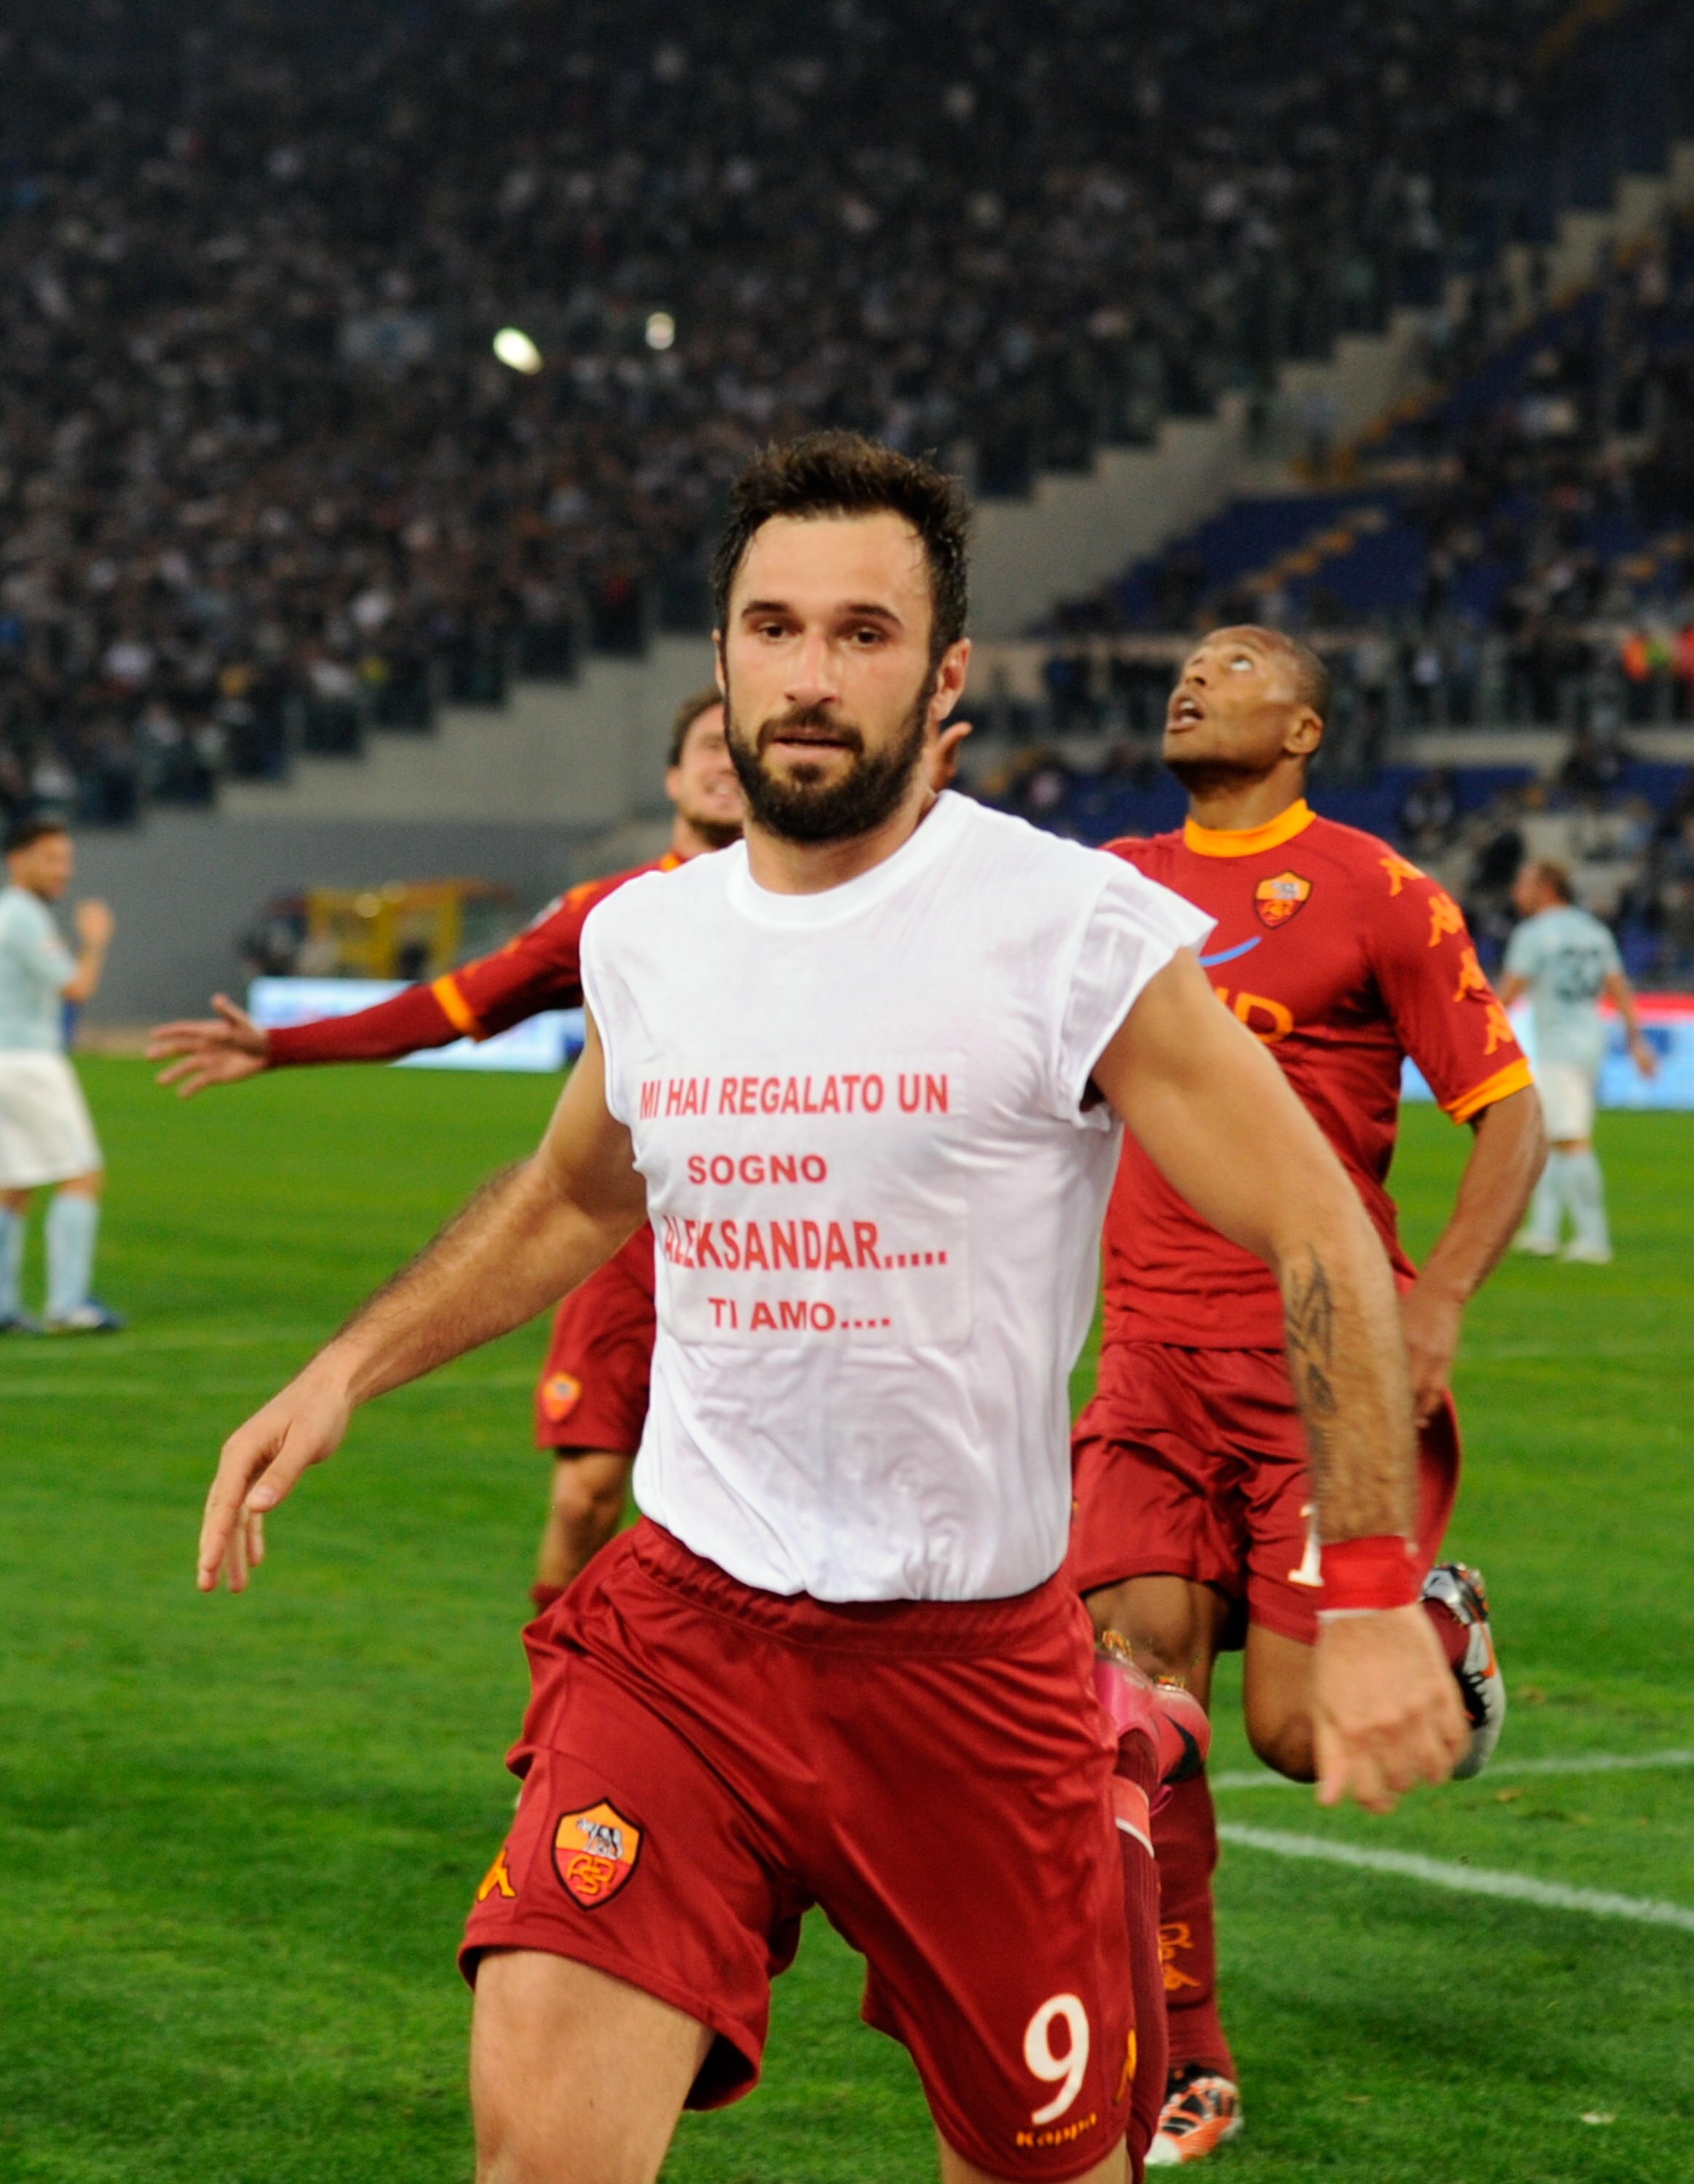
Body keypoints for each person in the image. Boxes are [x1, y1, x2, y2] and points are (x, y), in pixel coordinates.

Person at [198, 437, 1466, 2184]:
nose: (809, 675)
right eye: (773, 628)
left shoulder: (1066, 929)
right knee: (541, 2152)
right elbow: (574, 1192)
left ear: (942, 677)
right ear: (721, 657)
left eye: (862, 633)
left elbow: (1315, 1226)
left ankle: (1122, 1742)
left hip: (969, 1679)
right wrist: (350, 1362)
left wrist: (1374, 1587)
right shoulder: (650, 938)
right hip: (682, 1640)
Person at [1069, 626, 1545, 2166]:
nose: (1190, 679)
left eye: (1233, 664)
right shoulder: (1109, 887)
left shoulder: (1373, 892)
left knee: (1291, 1733)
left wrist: (1439, 1298)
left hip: (1311, 1370)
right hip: (1146, 1360)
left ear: (1303, 729)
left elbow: (1509, 1114)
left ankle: (1439, 1628)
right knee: (1133, 1705)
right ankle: (1184, 2058)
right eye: (1186, 665)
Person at [151, 690, 743, 1601]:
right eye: (707, 745)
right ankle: (550, 1681)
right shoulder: (614, 913)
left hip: (767, 1249)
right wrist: (284, 1045)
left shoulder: (825, 911)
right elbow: (455, 1003)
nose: (725, 762)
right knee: (584, 1497)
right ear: (670, 776)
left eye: (739, 745)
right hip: (626, 1241)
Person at [0, 818, 124, 1333]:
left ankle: (4, 1305)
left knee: (13, 1184)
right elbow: (76, 988)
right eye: (50, 858)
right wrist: (95, 942)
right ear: (17, 860)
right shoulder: (24, 916)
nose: (62, 871)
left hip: (5, 1058)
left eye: (67, 860)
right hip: (30, 1062)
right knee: (81, 1174)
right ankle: (68, 1305)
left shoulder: (8, 913)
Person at [1500, 858, 1657, 1264]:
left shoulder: (1534, 934)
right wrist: (1637, 1041)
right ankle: (1545, 1230)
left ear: (1546, 887)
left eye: (1524, 883)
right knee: (1552, 1134)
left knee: (1570, 1138)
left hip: (1559, 1045)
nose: (1517, 892)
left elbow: (1508, 994)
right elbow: (1618, 986)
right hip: (1590, 1039)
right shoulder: (1594, 931)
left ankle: (1593, 1238)